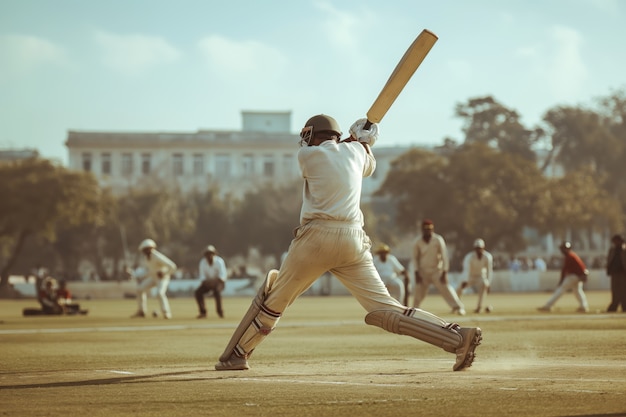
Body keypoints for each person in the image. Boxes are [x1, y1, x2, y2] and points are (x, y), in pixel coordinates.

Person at [214, 114, 482, 372]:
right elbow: (365, 164)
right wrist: (361, 141)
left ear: (310, 135)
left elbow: (331, 154)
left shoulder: (307, 155)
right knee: (386, 307)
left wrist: (356, 139)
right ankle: (458, 337)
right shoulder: (357, 153)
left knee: (275, 301)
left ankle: (238, 354)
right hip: (354, 240)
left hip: (316, 238)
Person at [412, 219, 466, 315]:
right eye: (425, 229)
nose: (428, 231)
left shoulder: (438, 240)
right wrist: (416, 273)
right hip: (423, 272)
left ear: (432, 229)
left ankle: (458, 307)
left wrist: (444, 272)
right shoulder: (417, 242)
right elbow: (415, 258)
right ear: (422, 230)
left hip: (436, 271)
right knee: (418, 293)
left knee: (446, 289)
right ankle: (414, 311)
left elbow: (444, 256)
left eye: (429, 229)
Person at [131, 238, 177, 319]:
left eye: (147, 249)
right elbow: (148, 270)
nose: (145, 252)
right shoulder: (146, 258)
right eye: (144, 250)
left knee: (160, 293)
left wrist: (164, 273)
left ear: (152, 248)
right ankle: (141, 311)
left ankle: (166, 312)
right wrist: (135, 275)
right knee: (140, 289)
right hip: (153, 277)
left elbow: (172, 266)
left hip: (162, 279)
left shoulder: (157, 256)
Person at [538, 241, 589, 313]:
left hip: (573, 276)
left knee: (561, 290)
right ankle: (583, 306)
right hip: (577, 276)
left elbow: (564, 270)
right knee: (577, 291)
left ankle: (548, 305)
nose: (563, 250)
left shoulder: (570, 256)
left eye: (564, 249)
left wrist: (561, 280)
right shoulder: (572, 255)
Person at [456, 239, 493, 313]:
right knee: (459, 288)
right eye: (477, 248)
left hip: (480, 276)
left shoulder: (487, 257)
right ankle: (457, 306)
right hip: (470, 276)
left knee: (484, 284)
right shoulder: (469, 257)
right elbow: (466, 269)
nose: (479, 250)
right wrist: (465, 280)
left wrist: (488, 283)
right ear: (474, 249)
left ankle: (479, 307)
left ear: (483, 248)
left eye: (480, 248)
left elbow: (489, 270)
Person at [195, 245, 228, 318]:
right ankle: (203, 312)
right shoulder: (202, 262)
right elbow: (202, 276)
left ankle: (220, 312)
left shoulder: (219, 261)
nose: (209, 255)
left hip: (219, 283)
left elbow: (223, 275)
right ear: (205, 255)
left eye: (211, 253)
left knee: (217, 291)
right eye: (207, 254)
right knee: (198, 292)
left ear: (214, 254)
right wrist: (208, 283)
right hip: (207, 283)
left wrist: (215, 282)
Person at [606, 234, 626, 313]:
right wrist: (608, 269)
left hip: (623, 273)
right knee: (615, 290)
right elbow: (609, 260)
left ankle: (624, 305)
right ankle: (614, 305)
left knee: (623, 290)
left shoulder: (624, 250)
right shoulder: (612, 250)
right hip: (614, 273)